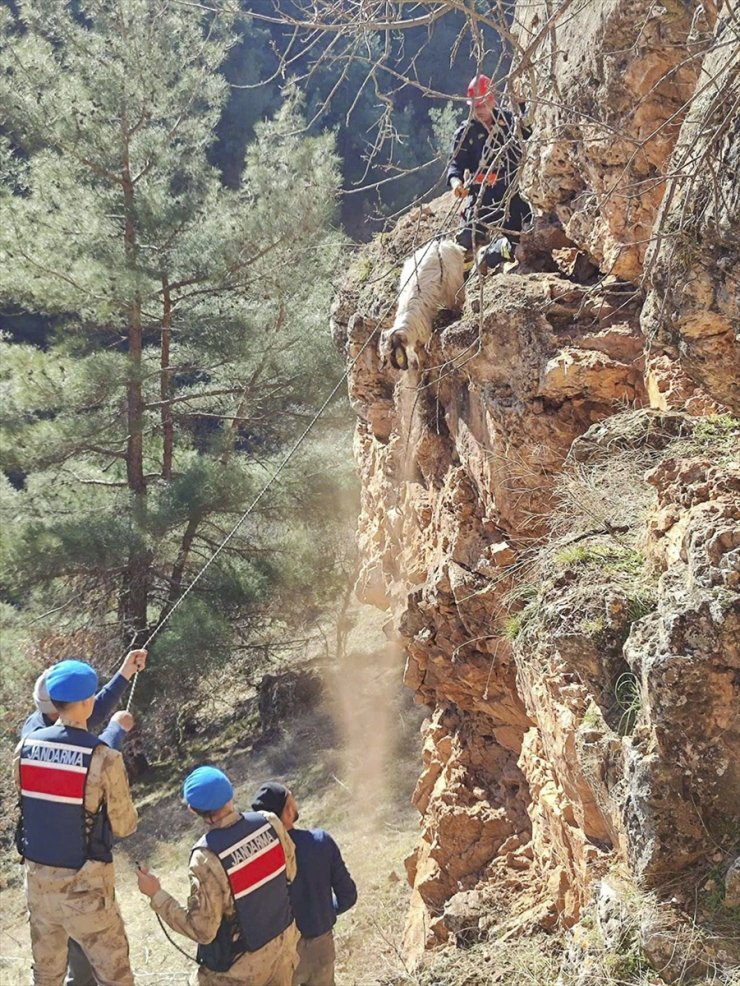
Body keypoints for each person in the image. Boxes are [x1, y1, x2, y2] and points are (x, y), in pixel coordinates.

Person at [20, 649, 146, 986]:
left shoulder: (26, 746)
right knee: (115, 975)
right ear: (89, 702)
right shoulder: (104, 758)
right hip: (86, 890)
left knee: (46, 975)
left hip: (38, 886)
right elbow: (124, 825)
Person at [137, 766, 299, 986]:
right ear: (230, 793)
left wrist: (156, 894)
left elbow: (203, 931)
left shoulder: (206, 858)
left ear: (193, 810)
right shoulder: (270, 822)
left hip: (244, 970)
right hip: (284, 948)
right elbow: (290, 872)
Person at [252, 782, 357, 986]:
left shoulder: (258, 860)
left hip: (280, 955)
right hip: (320, 946)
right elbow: (348, 896)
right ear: (289, 811)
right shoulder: (320, 842)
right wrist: (324, 912)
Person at [448, 74, 531, 268]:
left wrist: (522, 105)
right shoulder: (465, 133)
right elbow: (455, 165)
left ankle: (493, 253)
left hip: (512, 194)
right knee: (466, 241)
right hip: (481, 196)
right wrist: (456, 182)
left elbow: (528, 132)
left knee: (524, 243)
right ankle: (464, 282)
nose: (480, 110)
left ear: (492, 99)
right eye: (475, 106)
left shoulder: (509, 122)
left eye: (483, 104)